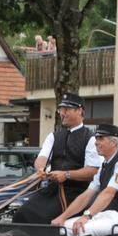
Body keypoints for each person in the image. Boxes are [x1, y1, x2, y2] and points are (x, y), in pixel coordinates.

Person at [13, 92, 102, 224]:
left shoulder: (90, 138)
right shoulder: (53, 136)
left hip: (76, 193)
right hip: (52, 190)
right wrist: (41, 168)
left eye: (66, 109)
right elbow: (41, 158)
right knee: (22, 213)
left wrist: (66, 175)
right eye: (61, 109)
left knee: (43, 218)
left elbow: (92, 171)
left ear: (79, 111)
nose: (62, 113)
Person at [52, 123, 118, 236]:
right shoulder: (104, 165)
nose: (96, 142)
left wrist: (86, 216)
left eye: (100, 139)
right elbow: (86, 195)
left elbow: (108, 193)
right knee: (59, 227)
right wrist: (62, 217)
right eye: (96, 138)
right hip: (107, 215)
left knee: (77, 229)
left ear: (113, 142)